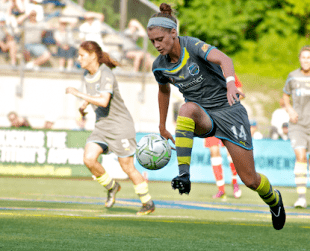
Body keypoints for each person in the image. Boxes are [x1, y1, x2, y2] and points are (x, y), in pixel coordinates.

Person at [147, 3, 285, 230]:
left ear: (174, 32)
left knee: (249, 179)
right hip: (204, 116)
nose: (157, 45)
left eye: (160, 39)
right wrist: (162, 126)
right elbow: (164, 91)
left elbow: (226, 60)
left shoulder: (192, 45)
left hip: (230, 111)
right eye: (153, 41)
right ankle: (183, 174)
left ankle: (274, 199)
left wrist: (231, 85)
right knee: (186, 109)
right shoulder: (159, 67)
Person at [65, 40, 155, 215]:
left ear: (92, 56)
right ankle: (112, 186)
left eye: (82, 55)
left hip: (120, 126)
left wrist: (78, 93)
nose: (79, 58)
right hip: (102, 126)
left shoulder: (106, 74)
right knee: (89, 159)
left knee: (127, 167)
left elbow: (104, 100)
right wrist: (83, 106)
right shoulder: (87, 74)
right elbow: (94, 95)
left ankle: (147, 202)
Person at [204, 74, 244, 200]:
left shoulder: (229, 74)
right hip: (212, 120)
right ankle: (221, 189)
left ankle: (235, 183)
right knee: (214, 152)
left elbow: (240, 93)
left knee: (230, 153)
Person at [283, 45, 310, 209]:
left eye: (309, 58)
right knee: (301, 157)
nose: (306, 60)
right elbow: (285, 95)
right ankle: (301, 197)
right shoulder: (292, 76)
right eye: (303, 57)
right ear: (299, 59)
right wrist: (290, 109)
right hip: (297, 124)